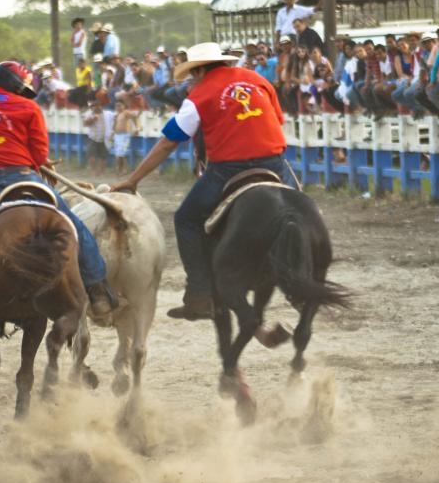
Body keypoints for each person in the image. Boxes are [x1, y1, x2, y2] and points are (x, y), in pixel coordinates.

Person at [108, 42, 300, 320]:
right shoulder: (258, 80)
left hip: (228, 169)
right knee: (299, 208)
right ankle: (299, 283)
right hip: (273, 161)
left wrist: (133, 180)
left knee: (186, 219)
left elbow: (168, 142)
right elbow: (276, 119)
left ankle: (199, 293)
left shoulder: (199, 95)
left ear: (198, 70)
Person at [0, 61, 117, 336]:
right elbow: (38, 157)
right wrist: (40, 161)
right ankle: (99, 292)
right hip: (25, 177)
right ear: (16, 85)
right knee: (76, 229)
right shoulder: (29, 108)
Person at [111, 99, 140, 174]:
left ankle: (124, 169)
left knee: (122, 153)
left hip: (124, 135)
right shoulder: (117, 114)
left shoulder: (126, 112)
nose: (118, 107)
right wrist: (112, 134)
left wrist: (137, 128)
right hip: (117, 135)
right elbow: (114, 126)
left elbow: (135, 116)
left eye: (119, 105)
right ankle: (120, 169)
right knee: (118, 154)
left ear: (124, 106)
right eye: (116, 106)